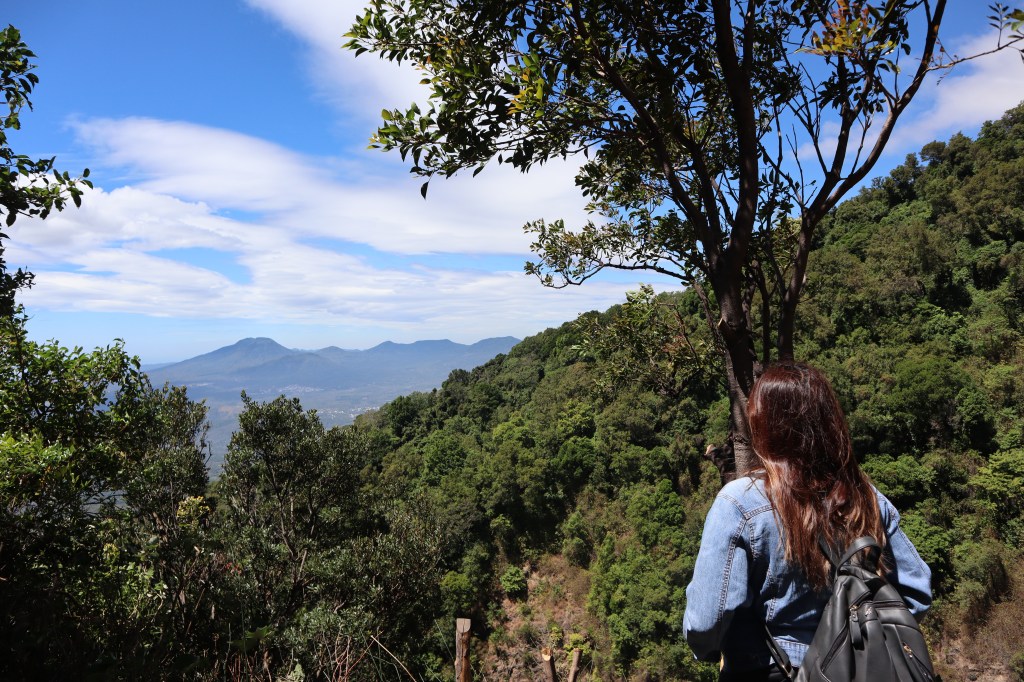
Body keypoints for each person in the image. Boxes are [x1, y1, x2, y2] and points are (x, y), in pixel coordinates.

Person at [682, 362, 932, 681]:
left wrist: (709, 650)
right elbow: (917, 595)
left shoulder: (739, 502)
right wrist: (855, 644)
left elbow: (705, 622)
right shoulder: (868, 498)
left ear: (763, 427)